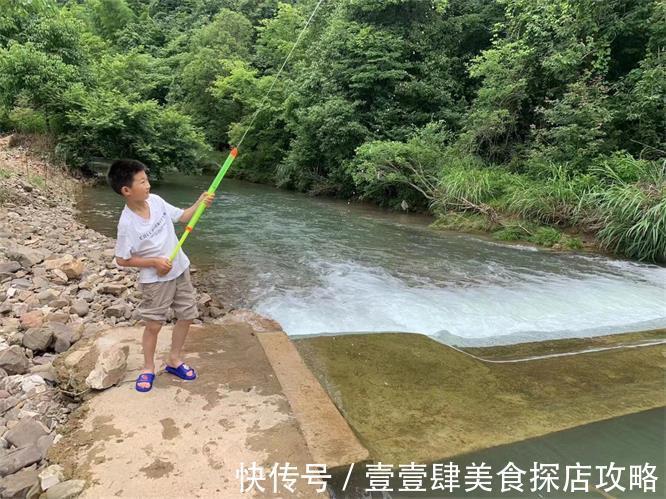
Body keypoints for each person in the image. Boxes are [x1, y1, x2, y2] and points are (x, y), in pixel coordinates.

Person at [107, 159, 214, 392]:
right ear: (126, 190)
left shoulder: (156, 201)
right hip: (155, 281)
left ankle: (174, 360)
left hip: (180, 269)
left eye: (147, 179)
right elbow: (122, 259)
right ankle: (147, 368)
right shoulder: (127, 224)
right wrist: (153, 262)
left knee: (187, 315)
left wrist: (200, 202)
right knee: (154, 325)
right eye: (142, 181)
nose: (148, 185)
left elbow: (184, 217)